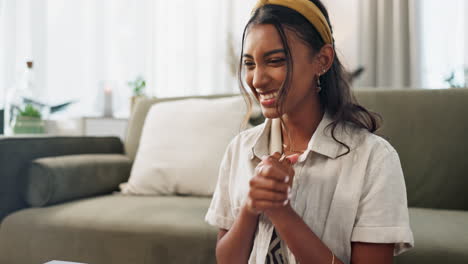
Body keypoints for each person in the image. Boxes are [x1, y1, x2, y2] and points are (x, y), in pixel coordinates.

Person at [205, 0, 414, 263]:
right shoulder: (239, 149)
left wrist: (282, 212)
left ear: (322, 60)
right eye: (249, 64)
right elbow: (227, 259)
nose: (257, 80)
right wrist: (250, 207)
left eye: (275, 61)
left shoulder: (375, 160)